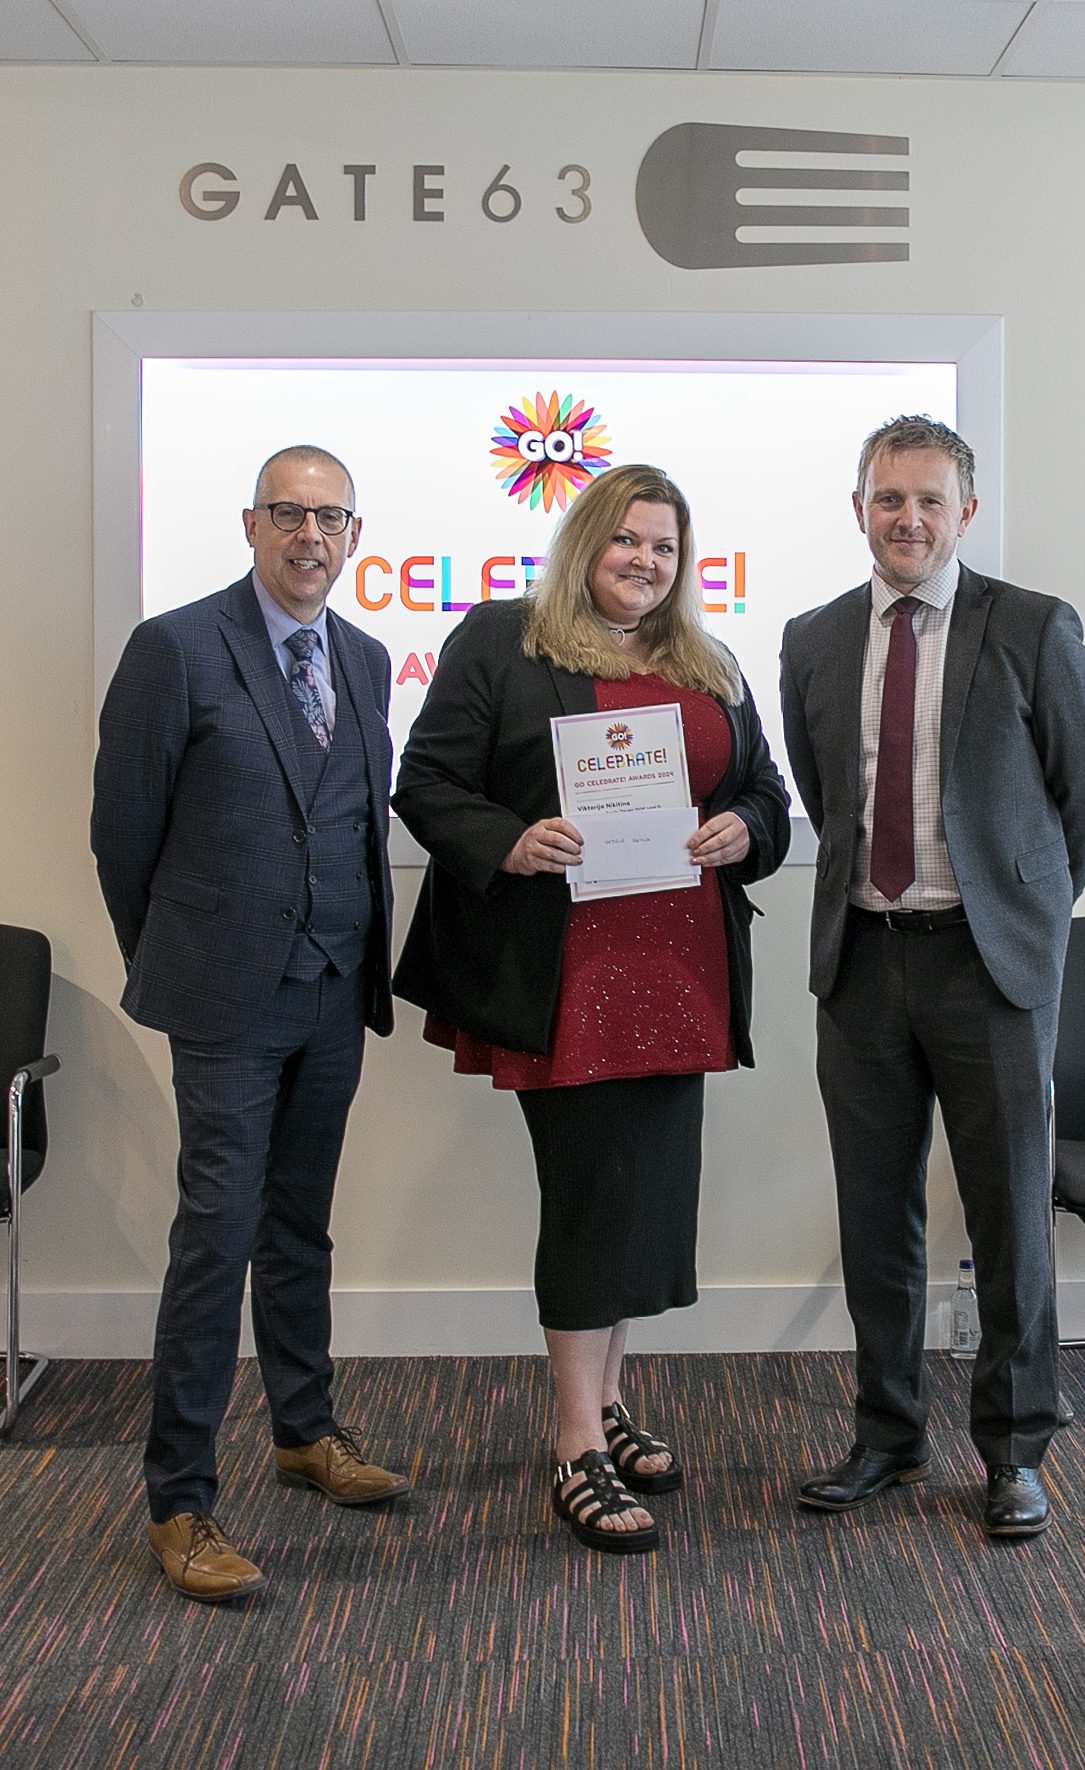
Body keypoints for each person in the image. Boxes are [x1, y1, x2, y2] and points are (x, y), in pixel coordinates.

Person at [393, 463, 790, 1554]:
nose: (644, 562)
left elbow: (764, 792)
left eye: (664, 547)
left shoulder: (708, 661)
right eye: (626, 540)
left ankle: (608, 1403)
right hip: (564, 974)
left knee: (642, 1200)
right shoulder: (504, 640)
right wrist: (510, 840)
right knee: (589, 1197)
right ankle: (574, 1442)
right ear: (584, 543)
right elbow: (426, 782)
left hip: (680, 971)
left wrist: (747, 830)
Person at [780, 416, 1085, 1538]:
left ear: (965, 511)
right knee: (874, 1217)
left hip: (989, 969)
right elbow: (826, 797)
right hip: (862, 963)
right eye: (889, 499)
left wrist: (1021, 911)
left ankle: (1015, 1451)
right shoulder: (813, 639)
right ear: (858, 509)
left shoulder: (1030, 626)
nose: (909, 519)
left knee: (1011, 1214)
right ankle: (888, 1436)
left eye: (930, 500)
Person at [91, 444, 409, 1603]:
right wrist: (181, 961)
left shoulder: (364, 658)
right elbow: (122, 834)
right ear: (250, 523)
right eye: (287, 513)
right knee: (216, 1235)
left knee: (298, 1224)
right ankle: (178, 1499)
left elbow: (350, 822)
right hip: (224, 999)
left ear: (355, 536)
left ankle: (304, 1431)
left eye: (329, 518)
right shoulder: (176, 648)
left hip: (332, 989)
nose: (308, 536)